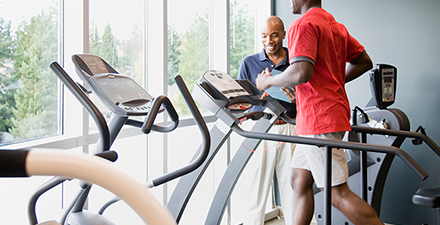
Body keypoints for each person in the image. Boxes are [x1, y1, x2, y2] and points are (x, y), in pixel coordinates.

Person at [255, 0, 383, 224]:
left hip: (319, 118)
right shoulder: (334, 25)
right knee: (299, 180)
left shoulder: (303, 24)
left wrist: (267, 81)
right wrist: (331, 80)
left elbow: (301, 72)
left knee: (336, 192)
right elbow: (364, 61)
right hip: (320, 117)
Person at [238, 16, 296, 225]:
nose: (269, 41)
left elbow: (308, 100)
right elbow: (242, 100)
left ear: (283, 35)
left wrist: (297, 99)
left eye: (273, 35)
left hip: (290, 129)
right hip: (261, 130)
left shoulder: (297, 63)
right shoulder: (249, 62)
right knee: (256, 189)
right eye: (264, 36)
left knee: (293, 189)